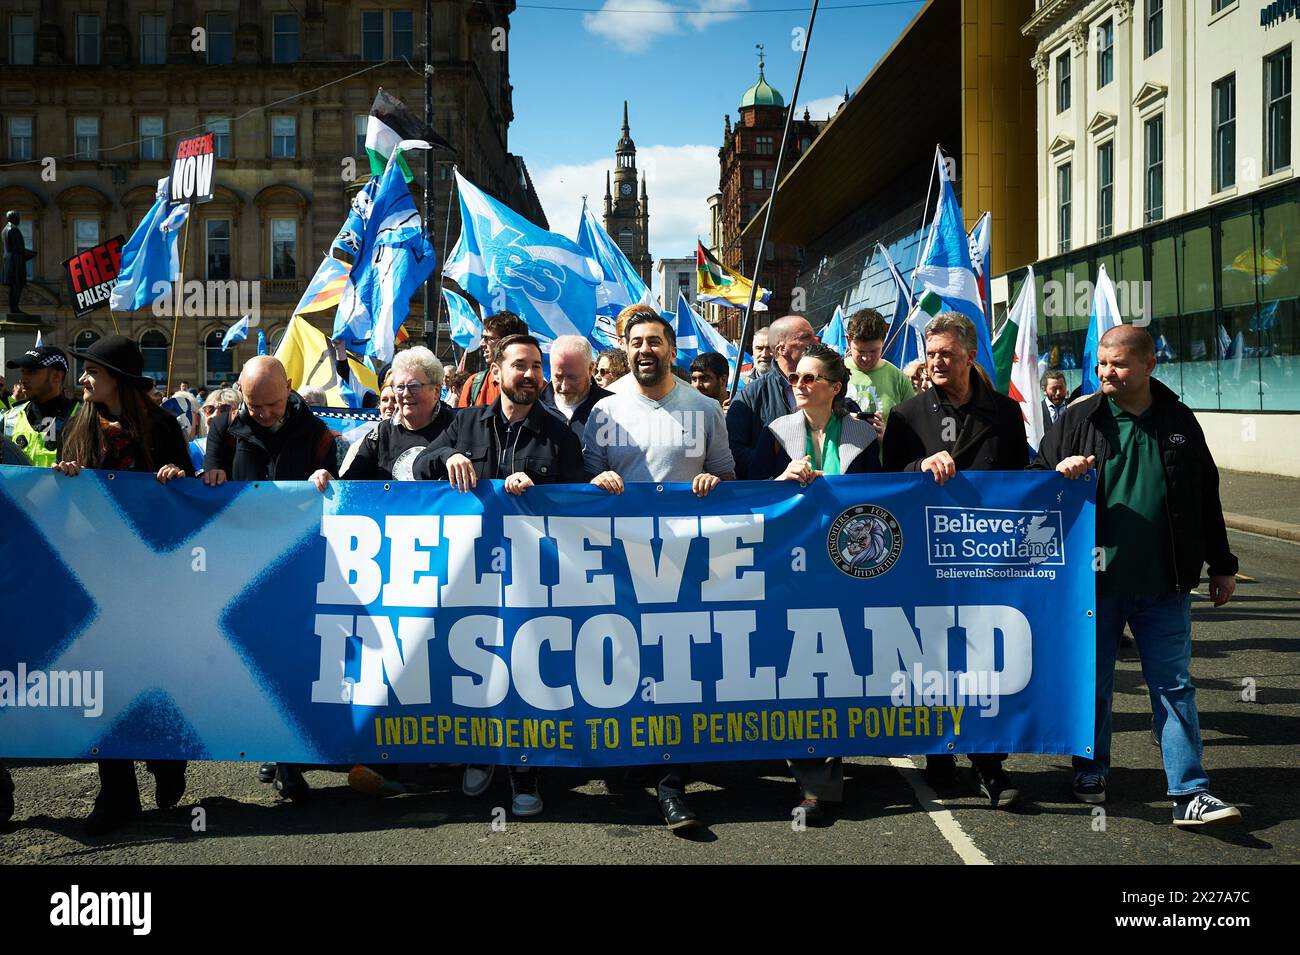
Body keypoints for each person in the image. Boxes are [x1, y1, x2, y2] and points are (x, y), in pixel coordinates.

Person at [1031, 326, 1242, 826]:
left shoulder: (1178, 419)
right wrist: (1056, 473)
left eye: (1119, 364)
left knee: (1172, 685)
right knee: (1094, 681)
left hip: (1165, 582)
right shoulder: (1078, 418)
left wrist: (1223, 564)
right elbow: (1032, 484)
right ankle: (1090, 767)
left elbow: (1204, 495)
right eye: (1102, 362)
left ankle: (1190, 791)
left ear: (1149, 365)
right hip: (1092, 582)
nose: (1107, 372)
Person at [413, 333, 585, 817]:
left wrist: (542, 496)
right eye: (519, 366)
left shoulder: (560, 435)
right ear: (498, 370)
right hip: (470, 580)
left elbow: (581, 507)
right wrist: (448, 456)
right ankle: (480, 751)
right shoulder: (462, 423)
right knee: (476, 665)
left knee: (528, 671)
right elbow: (418, 468)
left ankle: (524, 769)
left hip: (534, 582)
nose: (529, 374)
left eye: (536, 366)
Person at [584, 304, 735, 833]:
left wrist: (715, 486)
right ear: (625, 349)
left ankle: (673, 788)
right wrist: (595, 484)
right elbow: (584, 483)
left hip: (685, 563)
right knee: (626, 661)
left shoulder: (705, 408)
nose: (645, 350)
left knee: (678, 669)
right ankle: (632, 764)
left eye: (654, 342)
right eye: (636, 342)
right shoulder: (604, 411)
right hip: (621, 562)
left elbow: (725, 478)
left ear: (672, 349)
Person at [882, 312, 1028, 807]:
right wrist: (918, 465)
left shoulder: (1006, 415)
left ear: (969, 356)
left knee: (983, 661)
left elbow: (1025, 479)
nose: (937, 361)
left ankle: (990, 765)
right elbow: (884, 483)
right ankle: (938, 755)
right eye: (931, 353)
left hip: (985, 559)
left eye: (947, 353)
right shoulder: (907, 415)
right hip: (926, 559)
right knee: (933, 659)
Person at [54, 334, 195, 836]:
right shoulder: (80, 422)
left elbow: (192, 494)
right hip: (100, 575)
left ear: (119, 379)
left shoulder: (159, 425)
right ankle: (116, 795)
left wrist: (178, 477)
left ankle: (165, 760)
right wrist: (68, 473)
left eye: (92, 370)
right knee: (105, 685)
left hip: (154, 575)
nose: (84, 377)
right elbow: (65, 498)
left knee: (152, 674)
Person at [747, 340, 880, 824]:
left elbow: (883, 501)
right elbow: (751, 498)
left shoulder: (863, 438)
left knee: (836, 672)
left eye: (810, 379)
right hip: (789, 573)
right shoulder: (776, 433)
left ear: (835, 387)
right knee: (798, 671)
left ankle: (826, 775)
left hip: (846, 572)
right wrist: (782, 478)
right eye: (795, 378)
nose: (798, 386)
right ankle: (811, 778)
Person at [202, 356, 338, 801]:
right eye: (254, 405)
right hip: (243, 563)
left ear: (291, 388)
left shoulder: (316, 432)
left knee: (295, 657)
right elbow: (211, 473)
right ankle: (271, 747)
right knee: (257, 657)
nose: (263, 414)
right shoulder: (224, 426)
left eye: (273, 405)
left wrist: (326, 477)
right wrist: (212, 475)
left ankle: (291, 757)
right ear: (240, 393)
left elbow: (336, 489)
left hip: (298, 561)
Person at [341, 346, 453, 482]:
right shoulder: (380, 434)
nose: (405, 394)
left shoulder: (456, 428)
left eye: (414, 386)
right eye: (400, 387)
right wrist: (327, 482)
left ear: (436, 391)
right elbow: (351, 487)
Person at [726, 314, 815, 478]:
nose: (816, 341)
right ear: (782, 349)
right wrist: (778, 461)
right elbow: (733, 449)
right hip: (775, 494)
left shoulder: (825, 385)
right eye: (806, 337)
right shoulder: (750, 396)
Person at [844, 309, 915, 438]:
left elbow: (913, 429)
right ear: (849, 341)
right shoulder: (832, 373)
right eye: (860, 351)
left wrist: (886, 436)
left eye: (873, 351)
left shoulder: (899, 379)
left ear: (884, 340)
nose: (866, 358)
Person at [3, 345, 78, 467]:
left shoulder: (82, 417)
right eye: (22, 371)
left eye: (32, 372)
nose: (23, 379)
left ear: (56, 376)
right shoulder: (8, 418)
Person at [539, 335, 610, 437]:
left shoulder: (612, 407)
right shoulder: (534, 408)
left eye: (572, 378)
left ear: (591, 369)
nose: (564, 386)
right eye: (558, 377)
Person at [457, 311, 529, 408]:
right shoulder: (474, 384)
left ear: (508, 342)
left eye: (488, 339)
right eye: (483, 338)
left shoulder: (538, 386)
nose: (481, 344)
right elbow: (464, 421)